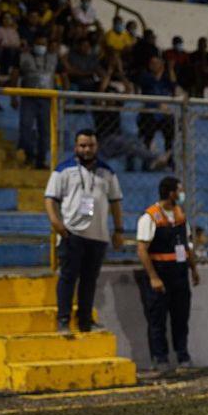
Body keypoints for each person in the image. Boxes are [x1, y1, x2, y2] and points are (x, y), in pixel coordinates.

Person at [44, 129, 123, 334]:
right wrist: (55, 222)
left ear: (97, 147)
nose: (87, 149)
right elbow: (50, 198)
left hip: (99, 236)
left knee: (89, 280)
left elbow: (115, 202)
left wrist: (119, 230)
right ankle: (63, 320)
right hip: (72, 234)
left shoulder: (107, 172)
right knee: (68, 278)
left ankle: (85, 321)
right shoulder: (63, 170)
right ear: (75, 147)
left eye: (91, 145)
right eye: (83, 145)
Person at [135, 176, 199, 373]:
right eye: (179, 190)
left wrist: (193, 269)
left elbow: (187, 246)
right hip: (160, 273)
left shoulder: (180, 215)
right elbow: (142, 249)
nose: (181, 194)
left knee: (181, 317)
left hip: (179, 274)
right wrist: (153, 277)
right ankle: (160, 358)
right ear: (171, 193)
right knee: (158, 319)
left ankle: (183, 356)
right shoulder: (150, 217)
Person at [17, 34, 58, 169]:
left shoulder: (53, 58)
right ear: (33, 44)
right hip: (28, 97)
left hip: (46, 98)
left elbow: (62, 75)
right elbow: (15, 73)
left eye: (43, 44)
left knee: (45, 131)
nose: (41, 47)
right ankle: (29, 155)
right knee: (26, 127)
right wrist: (13, 96)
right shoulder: (24, 56)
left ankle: (41, 160)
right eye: (38, 44)